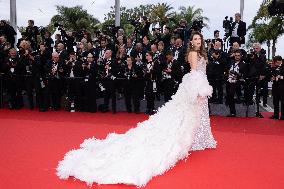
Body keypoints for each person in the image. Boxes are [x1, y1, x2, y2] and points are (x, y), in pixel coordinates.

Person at [56, 31, 217, 187]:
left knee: (190, 116)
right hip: (195, 87)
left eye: (199, 39)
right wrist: (200, 90)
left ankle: (194, 139)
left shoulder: (200, 53)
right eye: (195, 39)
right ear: (191, 41)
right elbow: (195, 74)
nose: (197, 41)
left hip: (196, 87)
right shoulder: (194, 54)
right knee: (184, 115)